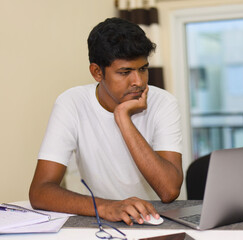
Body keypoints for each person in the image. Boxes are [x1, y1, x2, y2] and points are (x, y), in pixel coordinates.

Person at [29, 17, 183, 226]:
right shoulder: (71, 103)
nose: (138, 81)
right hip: (102, 221)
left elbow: (169, 191)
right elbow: (40, 191)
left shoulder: (164, 103)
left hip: (157, 221)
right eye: (125, 72)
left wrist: (123, 118)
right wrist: (106, 207)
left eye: (143, 69)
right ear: (97, 72)